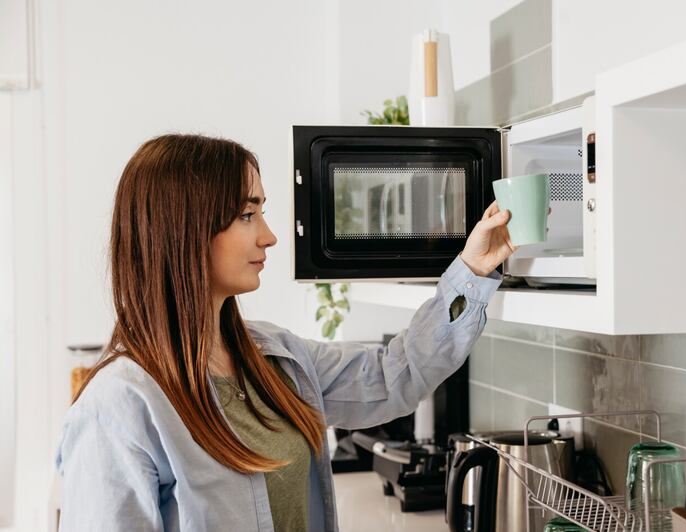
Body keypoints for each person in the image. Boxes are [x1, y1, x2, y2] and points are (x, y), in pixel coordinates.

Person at [55, 134, 517, 531]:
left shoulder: (275, 357)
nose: (270, 235)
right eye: (246, 214)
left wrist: (471, 270)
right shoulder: (118, 407)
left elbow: (395, 375)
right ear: (185, 229)